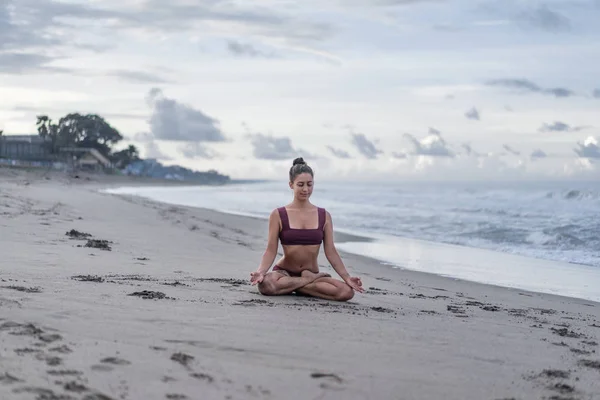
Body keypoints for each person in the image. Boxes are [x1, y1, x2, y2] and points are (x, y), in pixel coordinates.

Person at [250, 157, 364, 301]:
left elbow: (331, 251)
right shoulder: (278, 214)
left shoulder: (324, 215)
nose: (306, 189)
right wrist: (261, 272)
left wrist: (347, 277)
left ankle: (293, 287)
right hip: (284, 274)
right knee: (266, 284)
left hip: (310, 273)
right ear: (291, 185)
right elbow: (271, 250)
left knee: (346, 292)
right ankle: (305, 285)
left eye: (310, 184)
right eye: (301, 184)